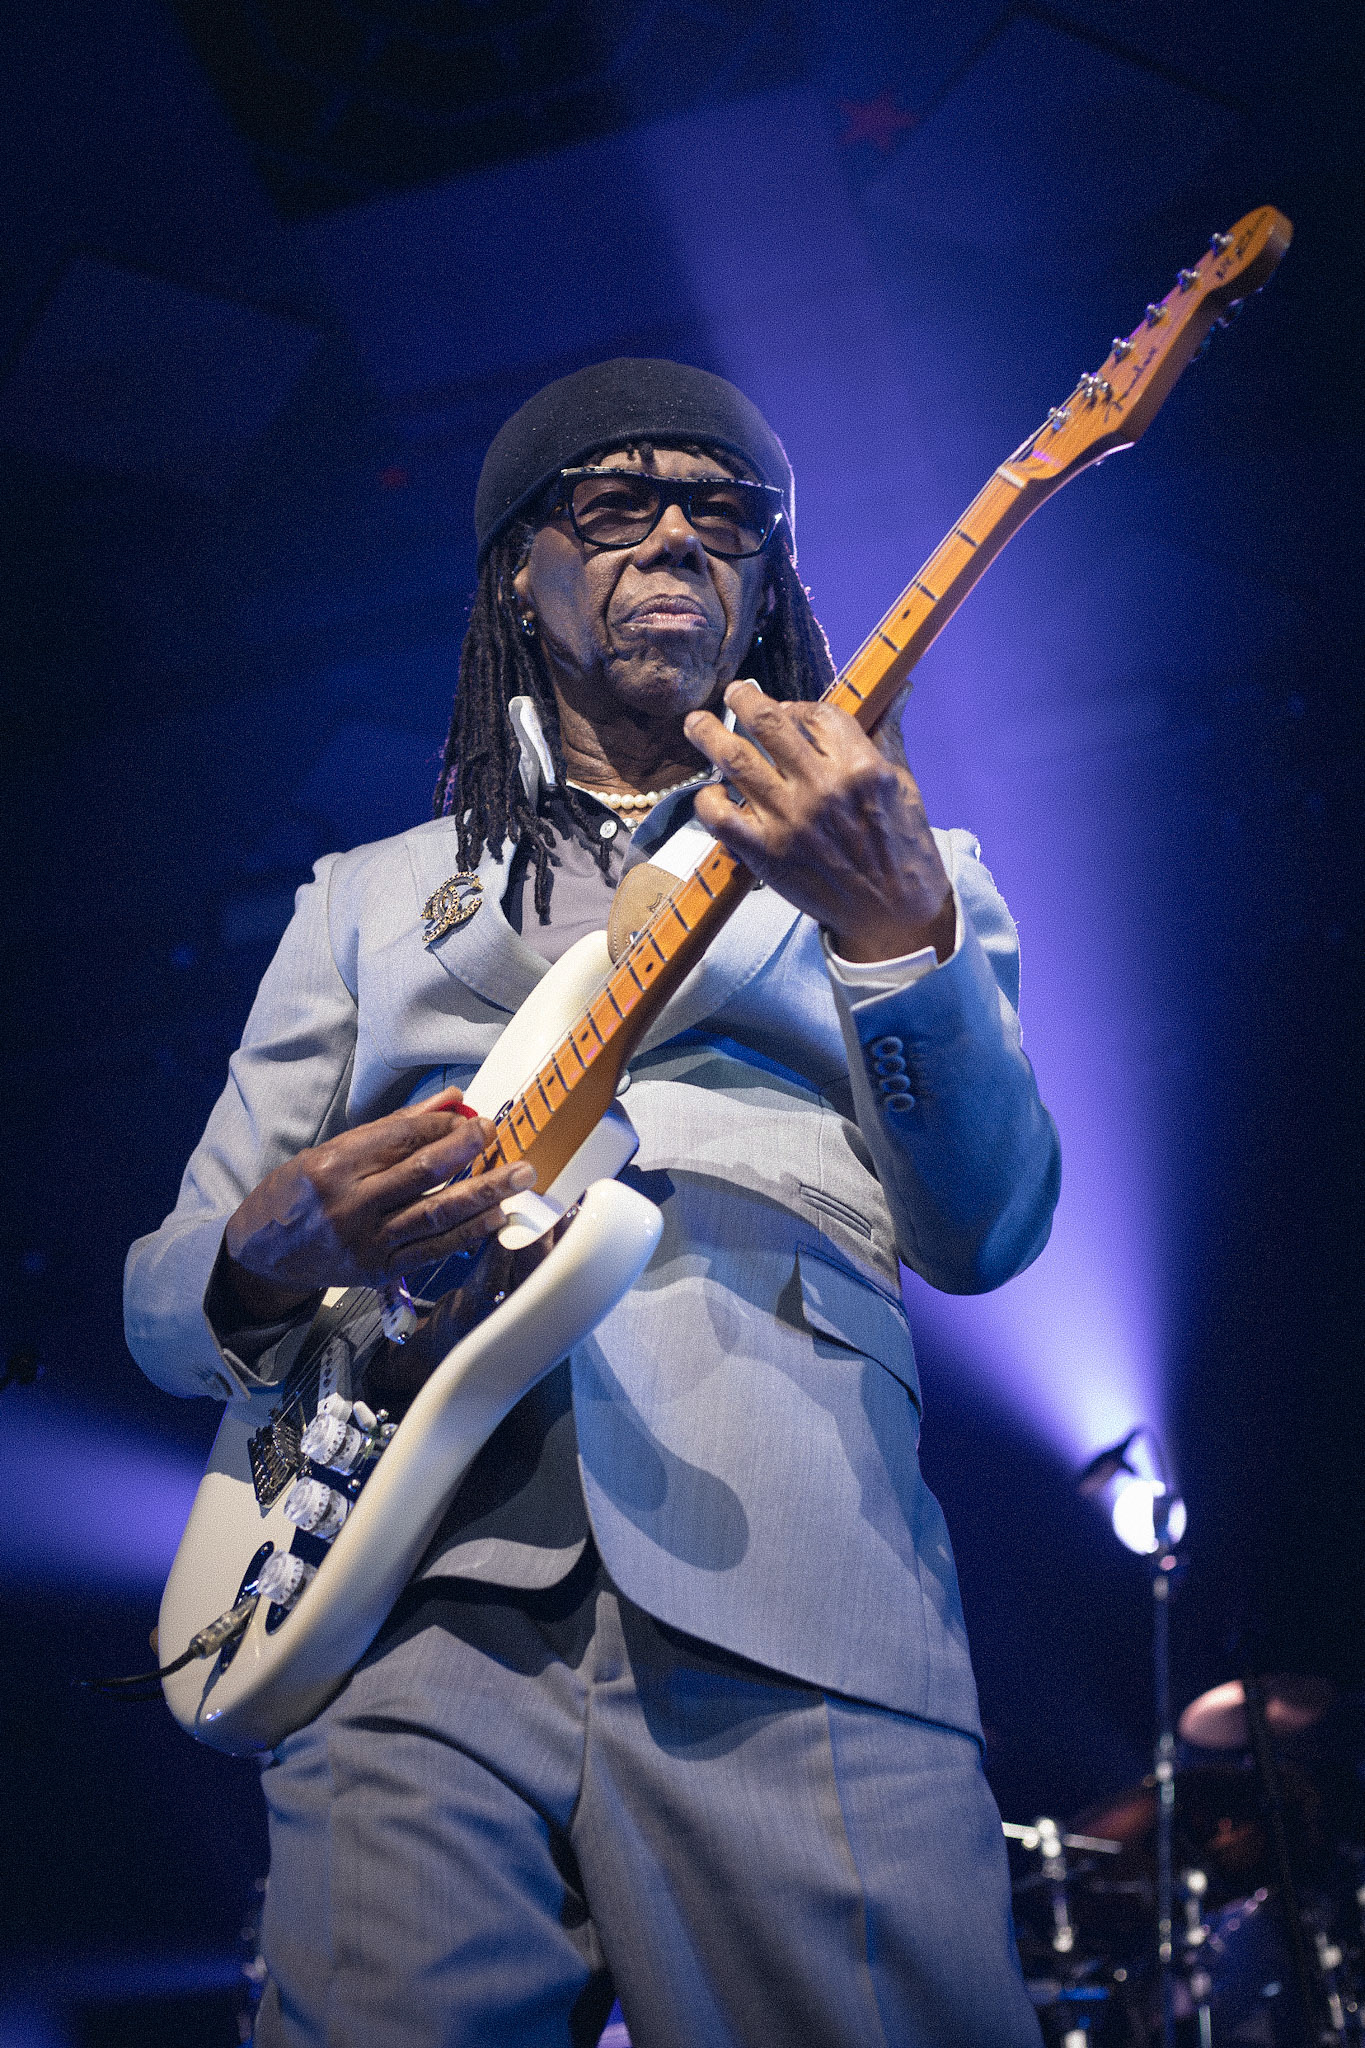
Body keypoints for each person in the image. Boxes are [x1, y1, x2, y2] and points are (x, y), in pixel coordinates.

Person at [125, 358, 1060, 2048]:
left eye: (726, 515)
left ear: (765, 581)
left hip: (791, 1578)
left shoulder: (904, 865)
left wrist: (889, 931)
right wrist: (274, 1248)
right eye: (618, 505)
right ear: (519, 573)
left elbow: (987, 1232)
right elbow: (166, 1292)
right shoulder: (362, 905)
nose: (678, 541)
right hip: (399, 1602)